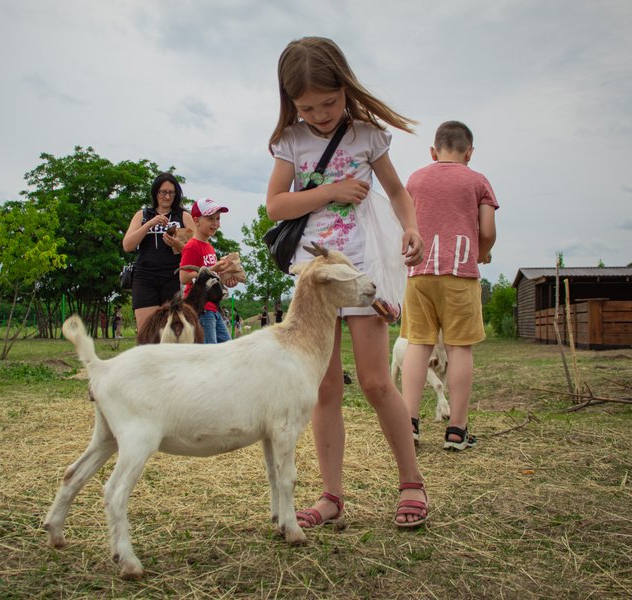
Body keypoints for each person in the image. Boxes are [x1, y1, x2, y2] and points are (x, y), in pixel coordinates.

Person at [265, 37, 427, 529]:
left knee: (378, 382)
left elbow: (398, 193)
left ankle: (412, 483)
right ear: (291, 104)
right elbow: (276, 205)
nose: (320, 115)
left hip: (362, 275)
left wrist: (413, 228)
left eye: (329, 103)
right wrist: (329, 191)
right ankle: (331, 496)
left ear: (345, 87)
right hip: (316, 279)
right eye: (307, 107)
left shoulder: (366, 135)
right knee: (325, 387)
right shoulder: (291, 141)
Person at [400, 120, 498, 451]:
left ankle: (408, 425)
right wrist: (482, 253)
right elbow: (486, 230)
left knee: (417, 344)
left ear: (433, 151)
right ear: (469, 153)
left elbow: (403, 218)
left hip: (419, 272)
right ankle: (456, 430)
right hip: (460, 274)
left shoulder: (415, 179)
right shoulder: (478, 181)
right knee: (459, 348)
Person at [122, 172, 196, 334]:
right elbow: (128, 246)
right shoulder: (142, 215)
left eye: (171, 192)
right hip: (145, 277)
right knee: (146, 331)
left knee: (170, 331)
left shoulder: (183, 216)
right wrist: (150, 223)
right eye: (163, 192)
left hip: (172, 277)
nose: (167, 196)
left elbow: (197, 252)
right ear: (156, 193)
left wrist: (178, 244)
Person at [179, 198, 239, 344]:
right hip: (201, 308)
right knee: (209, 352)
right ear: (196, 221)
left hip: (213, 307)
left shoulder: (209, 247)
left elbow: (210, 278)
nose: (215, 224)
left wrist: (226, 278)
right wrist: (213, 269)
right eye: (210, 219)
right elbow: (184, 276)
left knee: (227, 347)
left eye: (217, 219)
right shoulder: (192, 246)